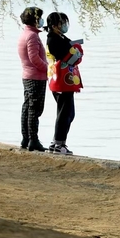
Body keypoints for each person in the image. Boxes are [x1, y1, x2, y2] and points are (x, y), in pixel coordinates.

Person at [45, 12, 83, 155]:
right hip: (60, 81)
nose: (65, 25)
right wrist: (77, 50)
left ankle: (57, 142)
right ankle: (59, 144)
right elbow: (71, 57)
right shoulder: (53, 40)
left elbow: (73, 48)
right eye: (62, 23)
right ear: (54, 26)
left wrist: (76, 48)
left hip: (65, 81)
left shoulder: (60, 37)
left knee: (68, 113)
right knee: (64, 113)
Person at [17, 6, 48, 152]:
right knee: (34, 109)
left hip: (27, 75)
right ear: (35, 19)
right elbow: (34, 58)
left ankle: (26, 138)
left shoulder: (25, 34)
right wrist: (49, 69)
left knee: (27, 108)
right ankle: (33, 139)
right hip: (35, 77)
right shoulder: (32, 36)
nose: (42, 20)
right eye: (40, 18)